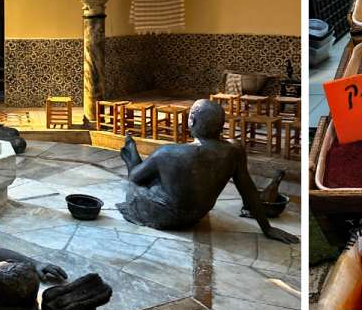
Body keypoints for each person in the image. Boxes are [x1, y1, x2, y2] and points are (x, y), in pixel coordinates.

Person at [118, 99, 298, 244]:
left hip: (166, 217)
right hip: (196, 216)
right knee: (159, 177)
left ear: (192, 121)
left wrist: (132, 155)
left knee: (135, 184)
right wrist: (266, 228)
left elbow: (134, 177)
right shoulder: (234, 150)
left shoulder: (167, 152)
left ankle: (130, 151)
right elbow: (248, 190)